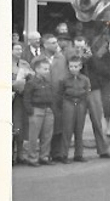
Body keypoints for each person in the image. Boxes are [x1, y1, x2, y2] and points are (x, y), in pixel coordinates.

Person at [78, 34, 110, 159]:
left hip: (94, 89)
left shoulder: (95, 57)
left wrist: (91, 58)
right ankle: (78, 152)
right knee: (78, 122)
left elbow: (102, 70)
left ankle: (103, 149)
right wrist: (84, 59)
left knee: (98, 121)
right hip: (79, 91)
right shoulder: (74, 56)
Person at [40, 33, 69, 161]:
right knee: (46, 128)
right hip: (45, 97)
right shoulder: (39, 59)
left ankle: (58, 153)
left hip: (60, 96)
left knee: (60, 126)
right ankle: (45, 154)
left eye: (56, 42)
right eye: (52, 43)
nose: (56, 45)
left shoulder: (62, 58)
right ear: (45, 45)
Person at [57, 55, 91, 163]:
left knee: (79, 130)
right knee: (67, 130)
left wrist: (85, 105)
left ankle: (78, 154)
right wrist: (63, 106)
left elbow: (87, 93)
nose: (73, 69)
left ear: (80, 66)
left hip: (81, 103)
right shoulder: (64, 79)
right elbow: (60, 94)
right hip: (68, 103)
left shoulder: (85, 79)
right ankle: (64, 155)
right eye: (71, 66)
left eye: (76, 66)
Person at [24, 57, 56, 166]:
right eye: (45, 69)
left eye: (48, 69)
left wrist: (51, 108)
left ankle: (44, 157)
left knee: (47, 135)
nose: (47, 71)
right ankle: (32, 158)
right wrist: (30, 111)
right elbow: (27, 98)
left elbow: (52, 95)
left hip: (48, 109)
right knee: (33, 136)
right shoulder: (31, 82)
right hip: (36, 110)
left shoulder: (47, 82)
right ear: (37, 69)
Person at [12, 43, 33, 164]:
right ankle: (10, 155)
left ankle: (20, 155)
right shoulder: (3, 63)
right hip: (8, 97)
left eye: (21, 49)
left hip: (20, 98)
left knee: (19, 126)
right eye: (16, 49)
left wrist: (29, 75)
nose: (19, 51)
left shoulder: (24, 63)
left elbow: (32, 75)